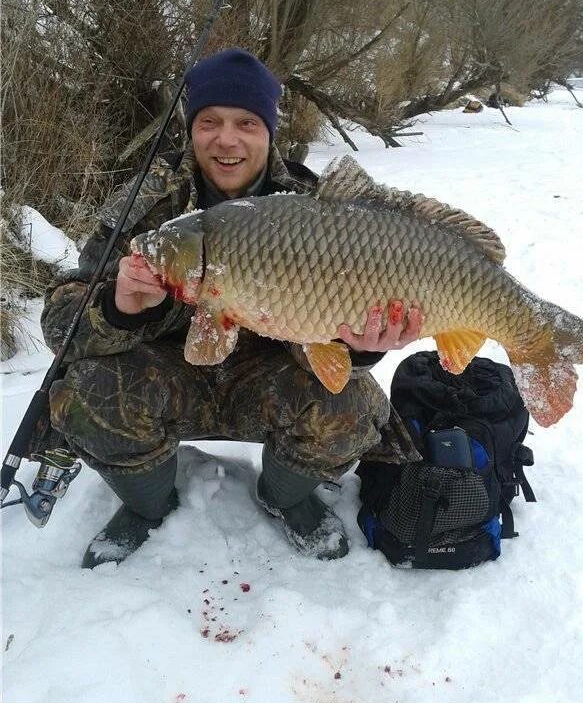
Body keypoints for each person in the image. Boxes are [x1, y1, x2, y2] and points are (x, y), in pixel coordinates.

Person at [41, 49, 422, 568]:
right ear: (190, 130)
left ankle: (284, 496)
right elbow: (59, 322)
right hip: (164, 381)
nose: (227, 139)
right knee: (85, 393)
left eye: (246, 122)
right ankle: (148, 504)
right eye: (209, 122)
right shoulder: (149, 205)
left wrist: (358, 351)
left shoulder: (314, 209)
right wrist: (119, 304)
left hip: (266, 385)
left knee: (352, 403)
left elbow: (332, 348)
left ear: (269, 132)